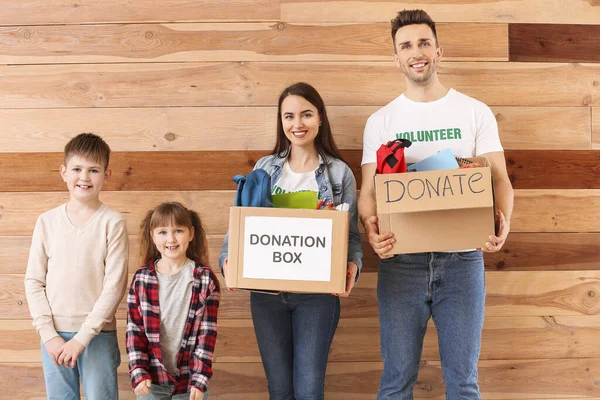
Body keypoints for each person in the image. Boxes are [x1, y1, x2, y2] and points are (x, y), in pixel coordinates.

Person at [357, 9, 514, 399]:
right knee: (395, 383)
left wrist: (503, 223)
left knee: (463, 384)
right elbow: (368, 191)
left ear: (438, 51)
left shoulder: (474, 112)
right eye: (406, 45)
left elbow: (499, 180)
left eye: (424, 43)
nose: (416, 52)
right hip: (401, 263)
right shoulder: (381, 120)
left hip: (462, 262)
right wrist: (369, 229)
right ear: (396, 57)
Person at [219, 82, 363, 400]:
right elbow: (241, 224)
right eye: (289, 116)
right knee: (280, 391)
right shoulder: (264, 168)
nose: (297, 124)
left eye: (306, 115)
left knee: (309, 391)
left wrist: (352, 267)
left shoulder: (340, 174)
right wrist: (228, 259)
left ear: (320, 118)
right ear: (281, 122)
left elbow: (351, 235)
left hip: (317, 298)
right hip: (266, 296)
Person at [24, 133, 129, 400]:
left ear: (106, 175)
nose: (84, 177)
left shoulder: (112, 222)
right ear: (63, 172)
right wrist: (49, 335)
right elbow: (34, 281)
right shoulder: (46, 222)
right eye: (77, 169)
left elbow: (114, 287)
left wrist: (82, 338)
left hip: (97, 335)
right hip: (54, 337)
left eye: (93, 170)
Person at [127, 202, 219, 400]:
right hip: (151, 380)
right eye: (162, 232)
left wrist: (200, 378)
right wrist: (138, 371)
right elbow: (135, 331)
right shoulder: (142, 279)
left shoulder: (204, 279)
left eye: (178, 230)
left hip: (190, 381)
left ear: (191, 234)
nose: (171, 239)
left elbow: (206, 335)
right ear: (152, 236)